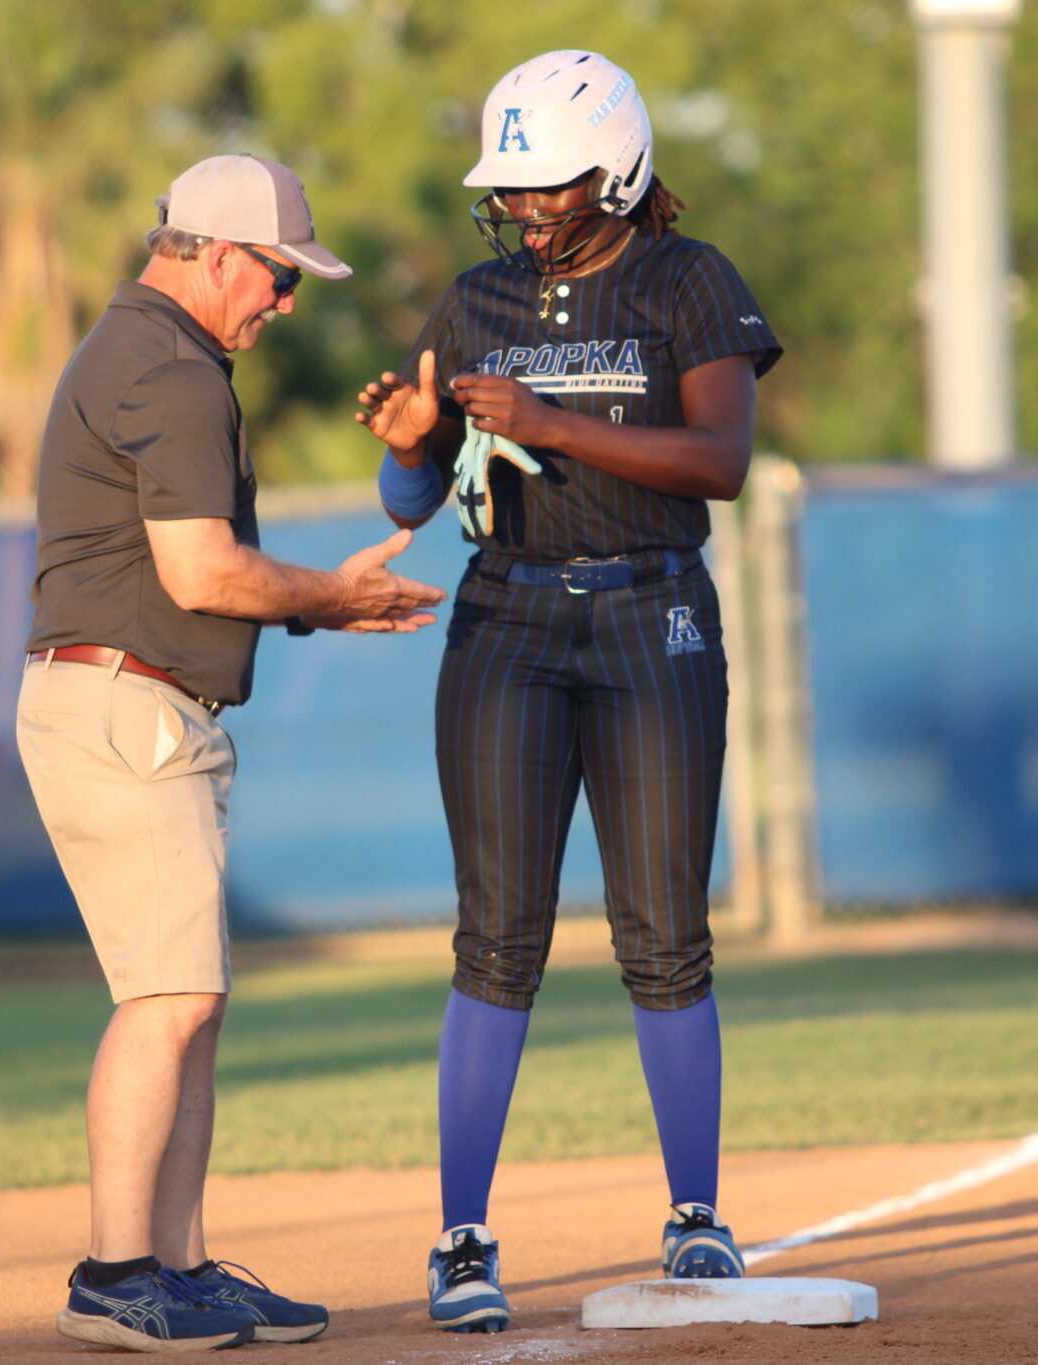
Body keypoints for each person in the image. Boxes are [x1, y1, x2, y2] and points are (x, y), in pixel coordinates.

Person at [354, 50, 783, 1333]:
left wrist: (548, 420)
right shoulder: (475, 300)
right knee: (497, 935)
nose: (529, 206)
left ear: (621, 166)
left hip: (651, 616)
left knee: (661, 931)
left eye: (552, 182)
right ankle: (462, 1237)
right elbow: (418, 500)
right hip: (508, 623)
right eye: (516, 185)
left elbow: (718, 462)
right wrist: (406, 454)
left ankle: (696, 1216)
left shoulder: (687, 280)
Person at [18, 152, 445, 1353]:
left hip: (130, 703)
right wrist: (333, 598)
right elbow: (198, 572)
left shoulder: (148, 352)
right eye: (278, 271)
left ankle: (181, 1267)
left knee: (189, 1004)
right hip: (123, 706)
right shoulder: (166, 366)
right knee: (167, 1000)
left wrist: (314, 601)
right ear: (215, 255)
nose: (287, 298)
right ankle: (115, 1275)